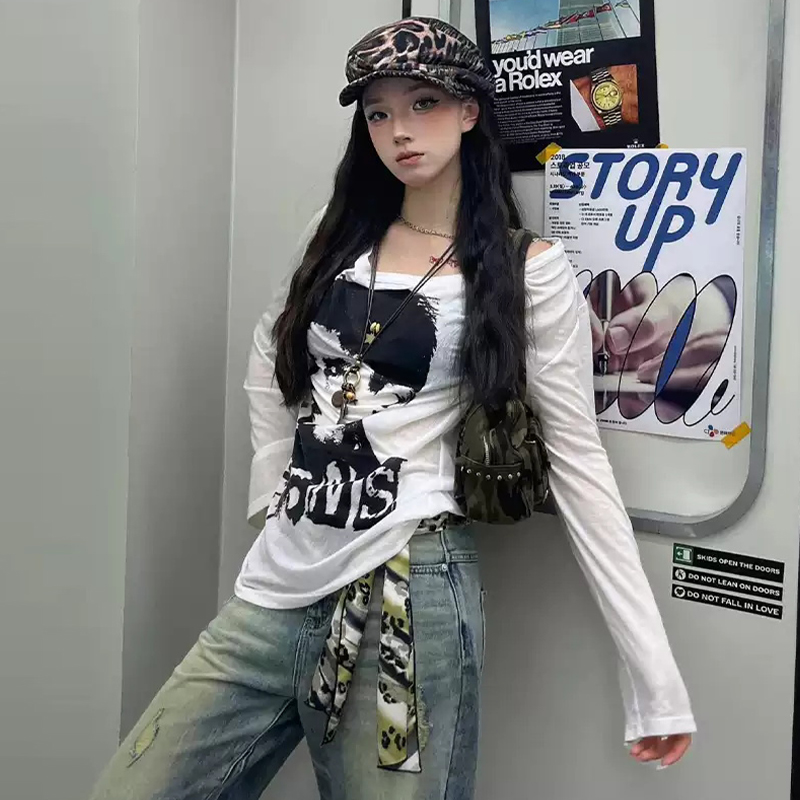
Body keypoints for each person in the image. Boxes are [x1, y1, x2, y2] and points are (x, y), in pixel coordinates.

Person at [88, 16, 695, 800]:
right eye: (378, 113)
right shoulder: (337, 235)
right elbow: (268, 351)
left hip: (409, 588)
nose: (399, 131)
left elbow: (579, 463)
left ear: (470, 110)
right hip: (278, 583)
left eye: (422, 104)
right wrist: (274, 489)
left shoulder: (527, 271)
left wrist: (653, 676)